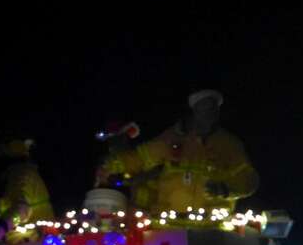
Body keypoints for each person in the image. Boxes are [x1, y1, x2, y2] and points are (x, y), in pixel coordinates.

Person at [98, 89, 259, 214]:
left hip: (213, 225)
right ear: (195, 110)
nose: (210, 113)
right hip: (168, 224)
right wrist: (111, 165)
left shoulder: (229, 144)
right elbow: (140, 158)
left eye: (213, 108)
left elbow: (247, 179)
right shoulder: (171, 138)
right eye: (205, 108)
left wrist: (226, 190)